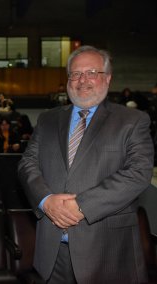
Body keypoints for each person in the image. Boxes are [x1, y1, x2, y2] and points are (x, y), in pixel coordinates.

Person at [18, 45, 154, 284]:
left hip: (108, 254)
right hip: (53, 253)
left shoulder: (132, 121)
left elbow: (138, 173)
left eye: (92, 72)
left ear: (108, 78)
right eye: (75, 74)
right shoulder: (48, 119)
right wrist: (46, 201)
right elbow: (27, 163)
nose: (83, 80)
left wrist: (80, 206)